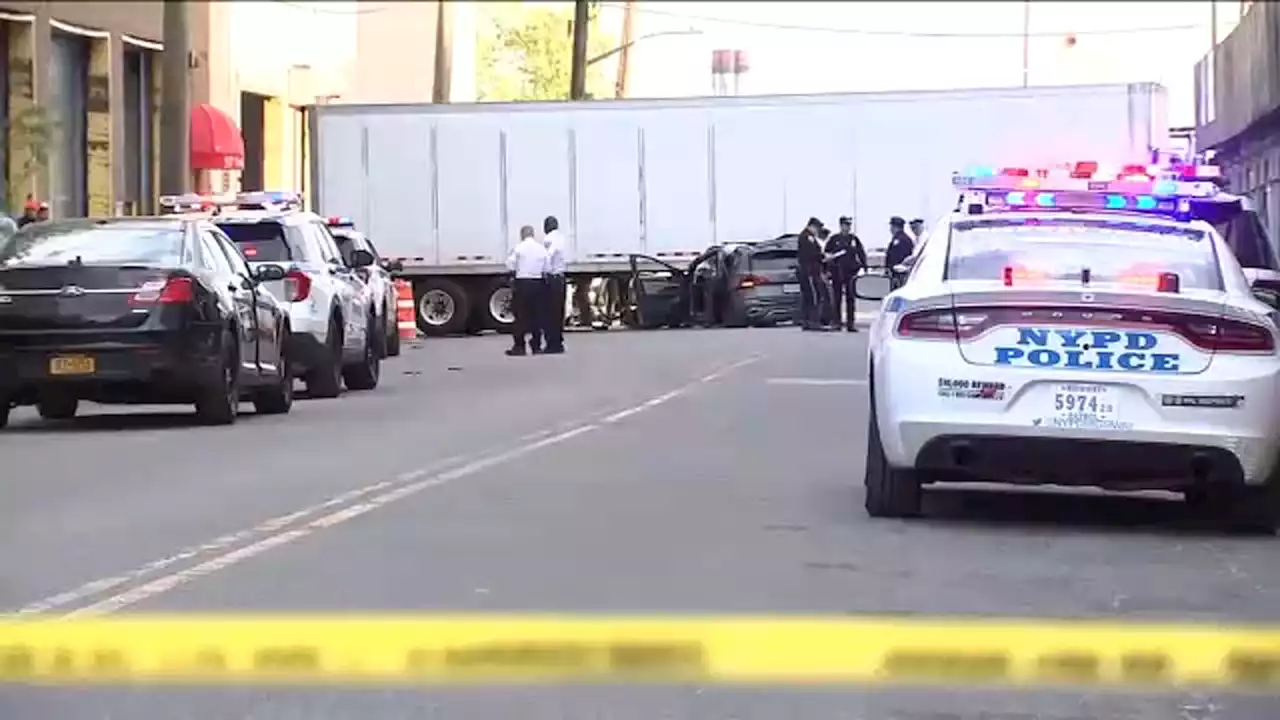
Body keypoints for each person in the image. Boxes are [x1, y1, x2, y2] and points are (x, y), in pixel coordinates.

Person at [505, 225, 549, 357]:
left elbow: (509, 264)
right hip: (537, 283)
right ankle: (536, 346)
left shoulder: (518, 248)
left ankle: (519, 346)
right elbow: (547, 267)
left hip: (522, 283)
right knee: (536, 316)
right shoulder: (541, 249)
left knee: (520, 316)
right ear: (533, 234)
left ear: (522, 235)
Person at [824, 216, 868, 332]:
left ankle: (850, 323)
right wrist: (828, 268)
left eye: (849, 225)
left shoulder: (854, 239)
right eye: (845, 225)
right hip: (837, 272)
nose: (847, 227)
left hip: (850, 273)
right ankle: (836, 322)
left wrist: (864, 267)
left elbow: (861, 253)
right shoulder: (834, 239)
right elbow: (827, 254)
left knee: (850, 299)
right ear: (841, 226)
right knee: (837, 299)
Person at [541, 216, 567, 354]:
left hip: (552, 279)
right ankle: (559, 341)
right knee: (559, 312)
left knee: (549, 313)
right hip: (561, 277)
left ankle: (552, 344)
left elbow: (547, 257)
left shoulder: (549, 239)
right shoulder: (561, 238)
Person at [796, 217, 827, 330]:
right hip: (809, 271)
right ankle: (813, 321)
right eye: (817, 228)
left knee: (808, 297)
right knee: (814, 297)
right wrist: (823, 257)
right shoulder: (806, 237)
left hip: (809, 270)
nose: (818, 230)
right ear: (812, 226)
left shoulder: (809, 237)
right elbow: (812, 253)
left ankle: (807, 321)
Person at [885, 216, 916, 290]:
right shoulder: (906, 238)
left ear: (895, 227)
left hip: (899, 274)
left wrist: (891, 269)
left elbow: (895, 257)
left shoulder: (899, 240)